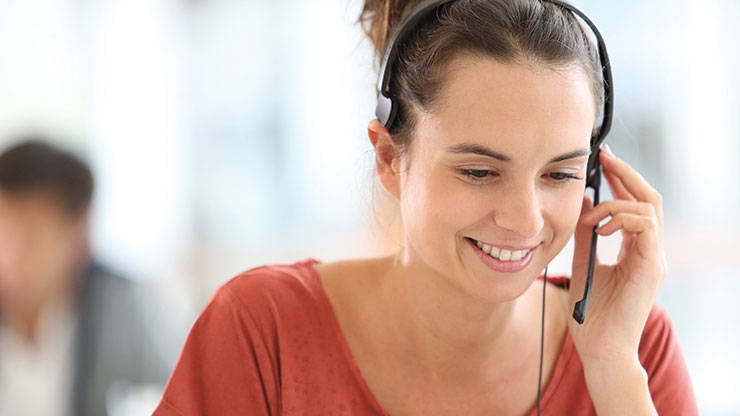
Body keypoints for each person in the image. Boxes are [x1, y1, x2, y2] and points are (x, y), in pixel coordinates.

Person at [154, 0, 698, 414]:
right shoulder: (263, 330)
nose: (527, 219)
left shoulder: (634, 347)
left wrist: (610, 371)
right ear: (391, 159)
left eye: (559, 174)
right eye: (480, 172)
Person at [0, 139, 175, 416]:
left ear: (77, 234)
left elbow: (174, 393)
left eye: (30, 238)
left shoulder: (118, 306)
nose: (10, 257)